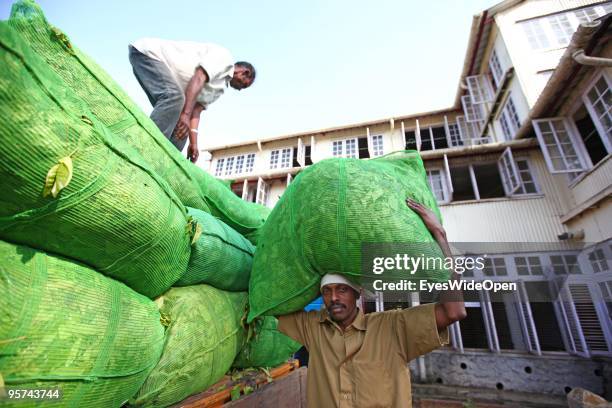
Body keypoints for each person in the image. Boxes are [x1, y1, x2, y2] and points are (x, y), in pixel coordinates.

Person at [278, 198, 466, 408]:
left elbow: (453, 311)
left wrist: (440, 235)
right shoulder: (313, 328)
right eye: (326, 291)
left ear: (358, 293)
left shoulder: (393, 327)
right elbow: (275, 302)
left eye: (341, 290)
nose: (334, 298)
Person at [128, 38, 256, 162]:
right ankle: (142, 150)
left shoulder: (219, 89)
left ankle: (160, 164)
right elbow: (199, 77)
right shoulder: (225, 58)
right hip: (148, 55)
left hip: (164, 78)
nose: (240, 90)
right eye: (244, 85)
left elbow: (195, 112)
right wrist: (185, 114)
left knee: (181, 131)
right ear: (245, 72)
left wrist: (193, 143)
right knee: (175, 98)